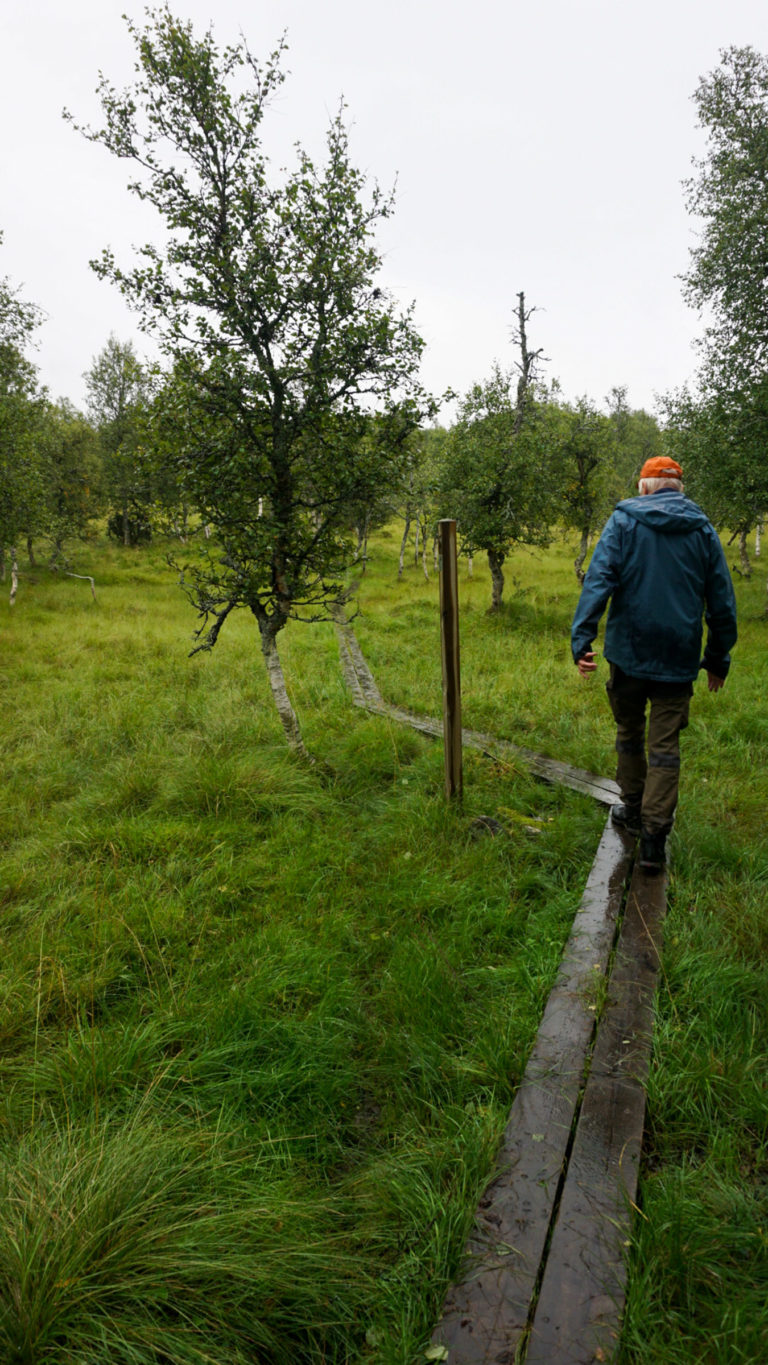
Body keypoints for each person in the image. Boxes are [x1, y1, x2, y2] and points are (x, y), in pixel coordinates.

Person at [571, 455, 737, 873]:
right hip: (678, 656)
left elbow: (599, 578)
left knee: (629, 732)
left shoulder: (624, 522)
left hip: (628, 652)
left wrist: (582, 639)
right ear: (679, 488)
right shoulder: (702, 530)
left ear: (644, 487)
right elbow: (721, 600)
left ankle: (631, 807)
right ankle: (653, 841)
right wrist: (718, 658)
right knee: (665, 748)